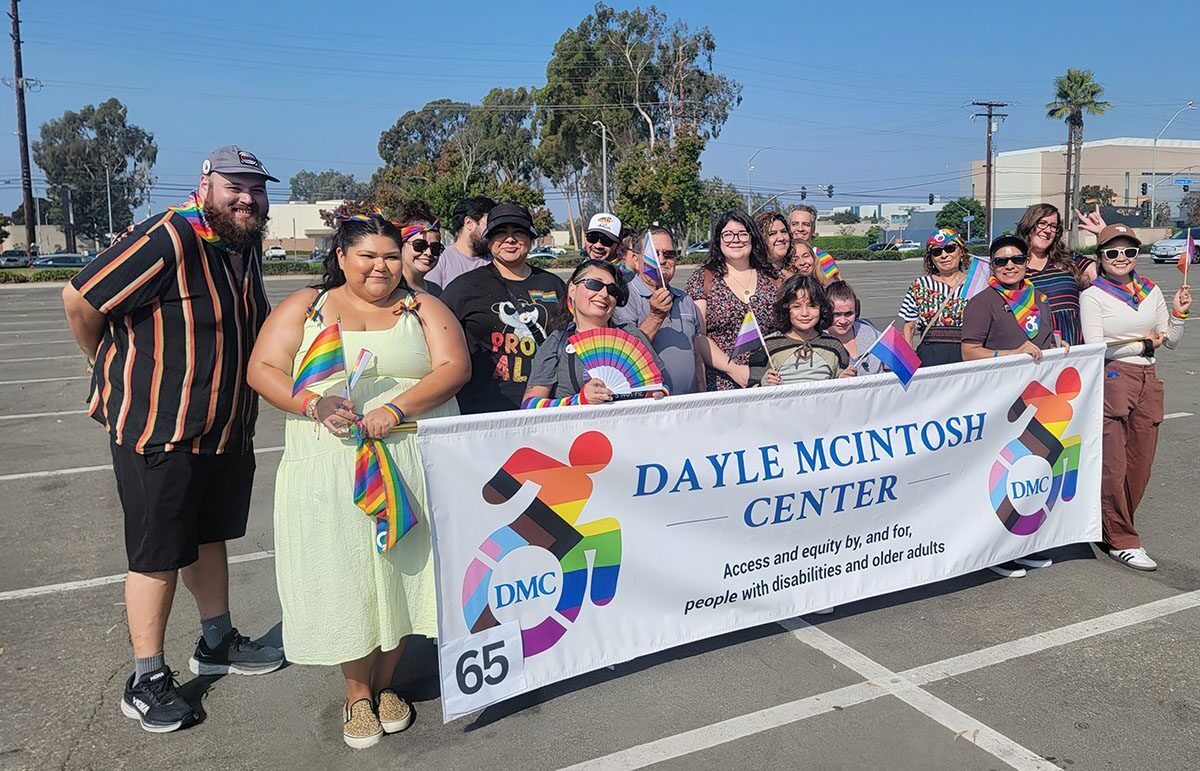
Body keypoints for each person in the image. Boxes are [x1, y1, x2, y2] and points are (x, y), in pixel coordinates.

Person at [60, 146, 284, 734]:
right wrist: (107, 364)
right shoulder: (170, 236)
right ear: (205, 184)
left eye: (256, 189)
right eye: (235, 186)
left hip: (226, 424)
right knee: (157, 551)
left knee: (209, 536)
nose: (247, 198)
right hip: (161, 425)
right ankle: (146, 676)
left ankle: (217, 642)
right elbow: (80, 299)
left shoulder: (242, 244)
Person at [247, 209, 468, 748]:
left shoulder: (422, 307)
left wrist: (397, 408)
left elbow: (453, 368)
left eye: (392, 256)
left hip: (410, 458)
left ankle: (389, 683)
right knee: (346, 576)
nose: (381, 267)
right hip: (330, 465)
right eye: (367, 256)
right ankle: (356, 694)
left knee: (402, 572)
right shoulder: (308, 305)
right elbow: (263, 369)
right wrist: (312, 403)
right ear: (342, 257)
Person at [1081, 224, 1191, 571]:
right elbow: (1097, 347)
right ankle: (1123, 539)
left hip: (1148, 377)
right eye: (1112, 252)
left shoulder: (1150, 289)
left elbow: (1170, 340)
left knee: (1141, 463)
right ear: (1101, 258)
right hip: (1114, 377)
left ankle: (1110, 525)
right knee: (1113, 465)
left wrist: (1178, 313)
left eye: (1128, 251)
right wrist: (1142, 341)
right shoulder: (1093, 295)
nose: (1121, 258)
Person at [961, 234, 1060, 578]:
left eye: (1016, 259)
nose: (1009, 266)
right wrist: (1011, 354)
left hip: (1039, 400)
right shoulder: (983, 302)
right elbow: (970, 351)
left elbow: (1047, 338)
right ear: (992, 265)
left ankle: (1026, 543)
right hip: (1003, 403)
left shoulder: (1039, 299)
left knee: (1031, 472)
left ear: (1025, 263)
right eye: (1001, 261)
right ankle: (997, 550)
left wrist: (1059, 345)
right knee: (1001, 475)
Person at [441, 203, 567, 413]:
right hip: (484, 412)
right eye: (500, 232)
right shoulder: (464, 287)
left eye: (519, 232)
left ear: (531, 239)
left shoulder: (553, 284)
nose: (510, 239)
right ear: (488, 240)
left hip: (546, 408)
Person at [523, 260, 667, 407]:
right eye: (594, 284)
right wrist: (579, 400)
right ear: (572, 289)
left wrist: (657, 394)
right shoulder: (557, 342)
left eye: (612, 290)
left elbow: (662, 385)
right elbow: (530, 405)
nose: (604, 294)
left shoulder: (631, 335)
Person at [686, 210, 782, 390]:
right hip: (722, 382)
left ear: (752, 238)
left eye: (742, 234)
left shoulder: (774, 278)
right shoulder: (703, 279)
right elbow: (699, 336)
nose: (735, 240)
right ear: (719, 240)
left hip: (770, 379)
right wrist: (735, 370)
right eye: (728, 234)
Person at [612, 226, 705, 395]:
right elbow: (625, 355)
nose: (661, 260)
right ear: (635, 259)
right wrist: (655, 316)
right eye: (654, 254)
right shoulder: (623, 298)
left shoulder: (685, 299)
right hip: (650, 409)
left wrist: (702, 394)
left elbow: (697, 356)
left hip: (688, 408)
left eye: (668, 254)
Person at [1014, 203, 1097, 345]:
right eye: (1042, 223)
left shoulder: (1069, 259)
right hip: (1036, 347)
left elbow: (1106, 275)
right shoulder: (1013, 265)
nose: (1048, 230)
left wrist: (1102, 235)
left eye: (1053, 226)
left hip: (1074, 344)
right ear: (1029, 225)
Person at [750, 274, 851, 385]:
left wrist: (845, 379)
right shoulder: (768, 346)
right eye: (796, 306)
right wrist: (763, 384)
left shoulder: (834, 345)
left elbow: (842, 391)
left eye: (812, 306)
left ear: (822, 308)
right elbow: (751, 389)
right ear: (786, 308)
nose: (805, 313)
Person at [898, 228, 970, 366]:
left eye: (950, 248)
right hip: (930, 355)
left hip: (966, 353)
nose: (944, 255)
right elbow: (909, 326)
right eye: (937, 252)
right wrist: (908, 360)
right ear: (931, 258)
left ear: (961, 251)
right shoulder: (919, 285)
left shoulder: (978, 283)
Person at [425, 195, 495, 289]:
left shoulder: (495, 261)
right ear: (468, 223)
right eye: (488, 224)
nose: (493, 231)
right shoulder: (440, 260)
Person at [825, 281, 884, 375]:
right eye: (836, 314)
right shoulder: (819, 342)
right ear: (825, 313)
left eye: (848, 314)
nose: (843, 321)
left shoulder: (871, 333)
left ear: (856, 311)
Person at [392, 199, 444, 296]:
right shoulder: (389, 290)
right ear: (401, 245)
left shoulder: (437, 291)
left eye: (435, 247)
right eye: (419, 245)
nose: (428, 253)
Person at [756, 211, 793, 275]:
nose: (781, 238)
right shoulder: (753, 273)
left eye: (783, 231)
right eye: (772, 234)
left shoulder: (798, 268)